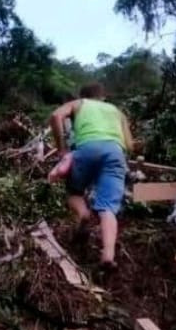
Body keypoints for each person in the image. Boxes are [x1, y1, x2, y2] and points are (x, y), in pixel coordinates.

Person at [48, 82, 135, 269]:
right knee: (108, 208)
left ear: (82, 96)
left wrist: (61, 149)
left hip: (86, 148)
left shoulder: (79, 104)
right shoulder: (116, 111)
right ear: (103, 97)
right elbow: (130, 145)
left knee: (74, 193)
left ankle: (83, 214)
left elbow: (56, 116)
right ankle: (108, 256)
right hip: (114, 152)